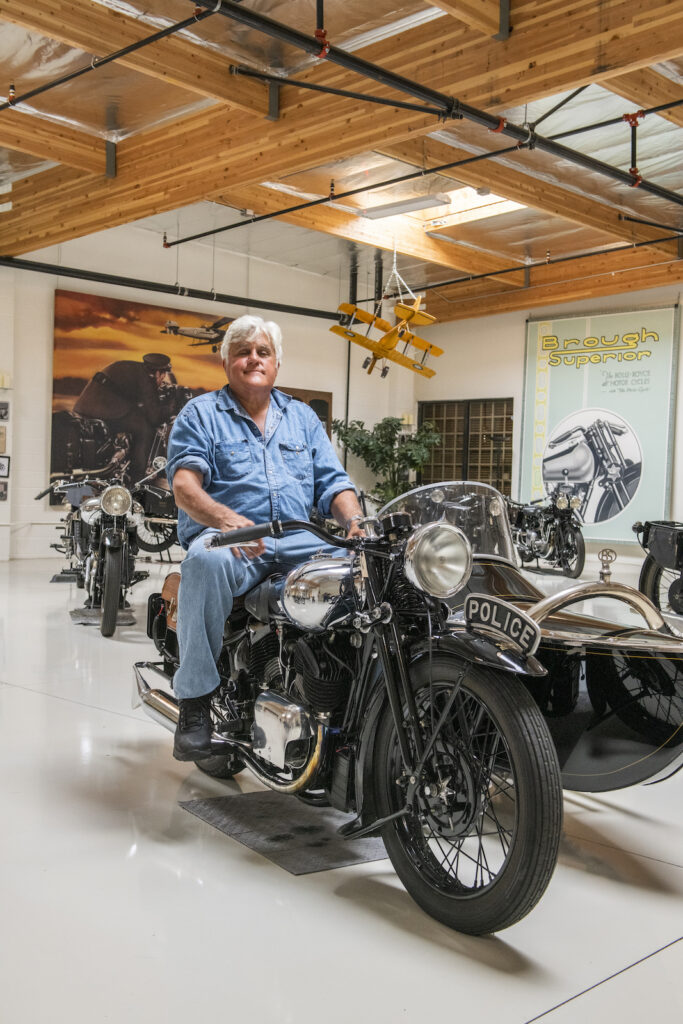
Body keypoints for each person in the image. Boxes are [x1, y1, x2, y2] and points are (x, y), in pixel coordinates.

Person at [166, 314, 364, 761]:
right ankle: (195, 704)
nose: (253, 359)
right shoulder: (201, 414)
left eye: (263, 352)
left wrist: (355, 521)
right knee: (203, 562)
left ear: (276, 363)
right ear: (226, 363)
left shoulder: (302, 417)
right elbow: (184, 486)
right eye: (243, 352)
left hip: (299, 540)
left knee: (367, 567)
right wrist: (225, 520)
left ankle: (345, 690)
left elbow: (334, 483)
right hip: (232, 541)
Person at [73, 352, 177, 483]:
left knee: (136, 418)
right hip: (105, 410)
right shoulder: (146, 378)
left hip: (84, 407)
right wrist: (170, 408)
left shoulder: (131, 368)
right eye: (163, 376)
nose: (162, 380)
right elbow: (154, 417)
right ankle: (138, 478)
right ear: (158, 373)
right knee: (145, 429)